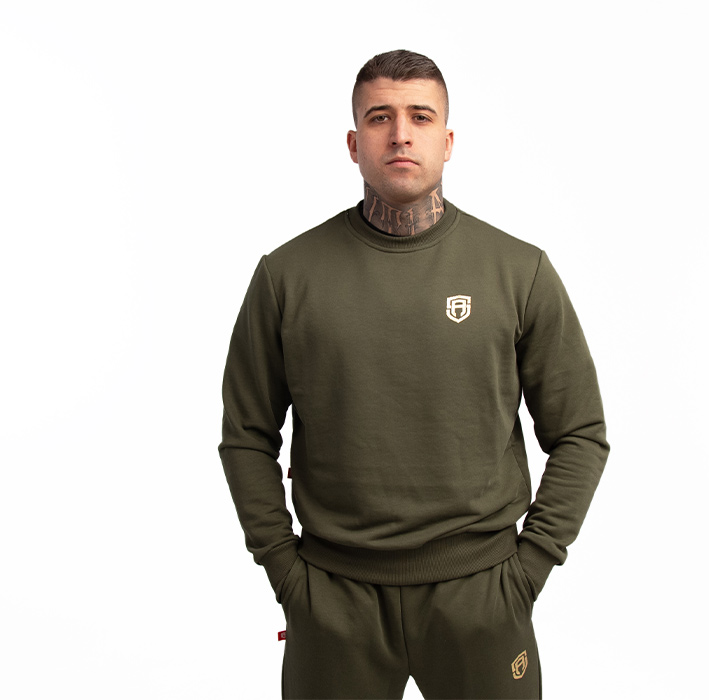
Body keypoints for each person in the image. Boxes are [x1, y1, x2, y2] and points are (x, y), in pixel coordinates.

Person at [219, 49, 609, 699]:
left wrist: (530, 568)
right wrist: (286, 572)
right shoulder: (286, 277)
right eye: (380, 117)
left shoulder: (519, 271)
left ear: (447, 141)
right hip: (333, 599)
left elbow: (580, 433)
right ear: (353, 143)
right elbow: (245, 436)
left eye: (420, 117)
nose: (400, 134)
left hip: (483, 593)